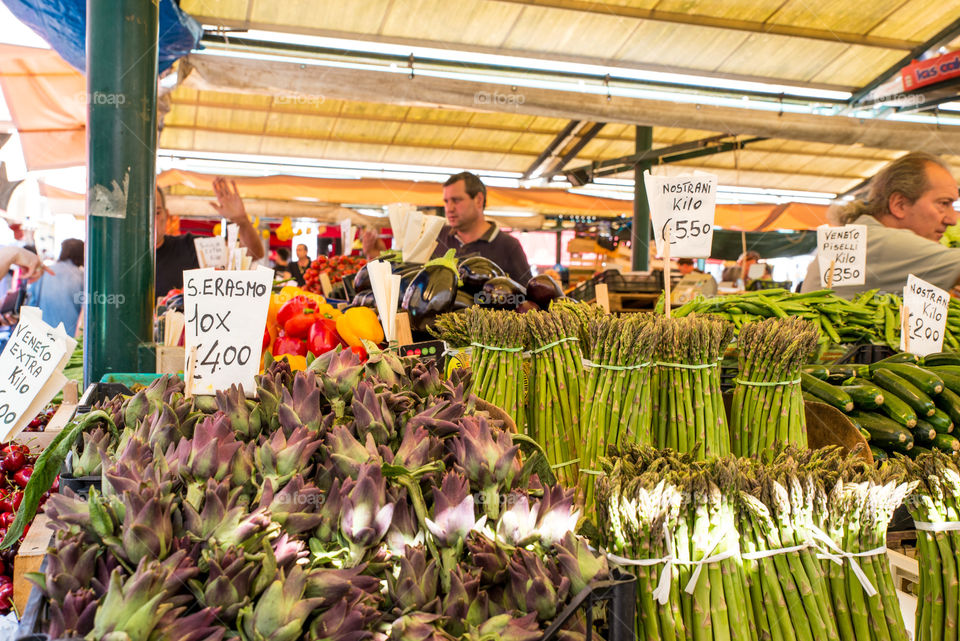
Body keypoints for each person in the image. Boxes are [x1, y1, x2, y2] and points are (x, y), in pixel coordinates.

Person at [800, 152, 960, 296]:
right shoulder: (883, 242)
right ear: (900, 205)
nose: (952, 220)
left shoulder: (860, 236)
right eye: (943, 203)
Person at [361, 172, 532, 283]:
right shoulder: (435, 235)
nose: (449, 208)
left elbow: (526, 297)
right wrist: (375, 256)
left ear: (478, 200)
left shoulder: (508, 246)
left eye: (456, 200)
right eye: (446, 201)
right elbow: (409, 278)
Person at [155, 177, 265, 296]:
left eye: (157, 212)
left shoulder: (189, 246)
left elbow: (252, 253)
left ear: (167, 214)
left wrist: (242, 221)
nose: (152, 220)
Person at [27, 239, 84, 336]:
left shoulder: (44, 272)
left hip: (42, 337)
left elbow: (31, 303)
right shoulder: (82, 277)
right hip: (70, 339)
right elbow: (85, 314)